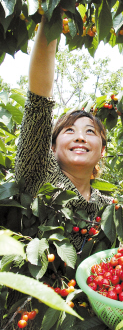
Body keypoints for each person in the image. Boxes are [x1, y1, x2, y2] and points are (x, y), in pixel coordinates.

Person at [15, 17, 113, 251]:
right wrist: (51, 12)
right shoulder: (39, 172)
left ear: (103, 151)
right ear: (52, 146)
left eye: (90, 132)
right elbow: (39, 101)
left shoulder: (110, 209)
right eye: (69, 131)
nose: (80, 137)